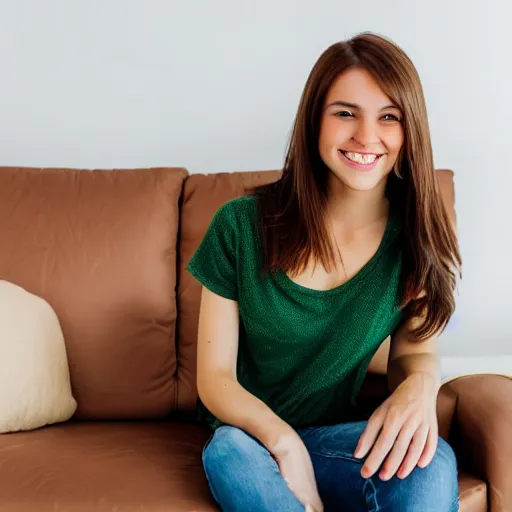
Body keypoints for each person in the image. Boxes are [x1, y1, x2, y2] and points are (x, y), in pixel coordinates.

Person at [187, 32, 462, 512]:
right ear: (314, 120)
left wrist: (421, 386)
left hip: (336, 439)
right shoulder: (240, 225)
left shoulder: (416, 238)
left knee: (432, 462)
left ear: (410, 130)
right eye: (345, 113)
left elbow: (414, 356)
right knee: (229, 452)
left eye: (389, 117)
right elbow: (214, 378)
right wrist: (284, 444)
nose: (366, 136)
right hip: (248, 439)